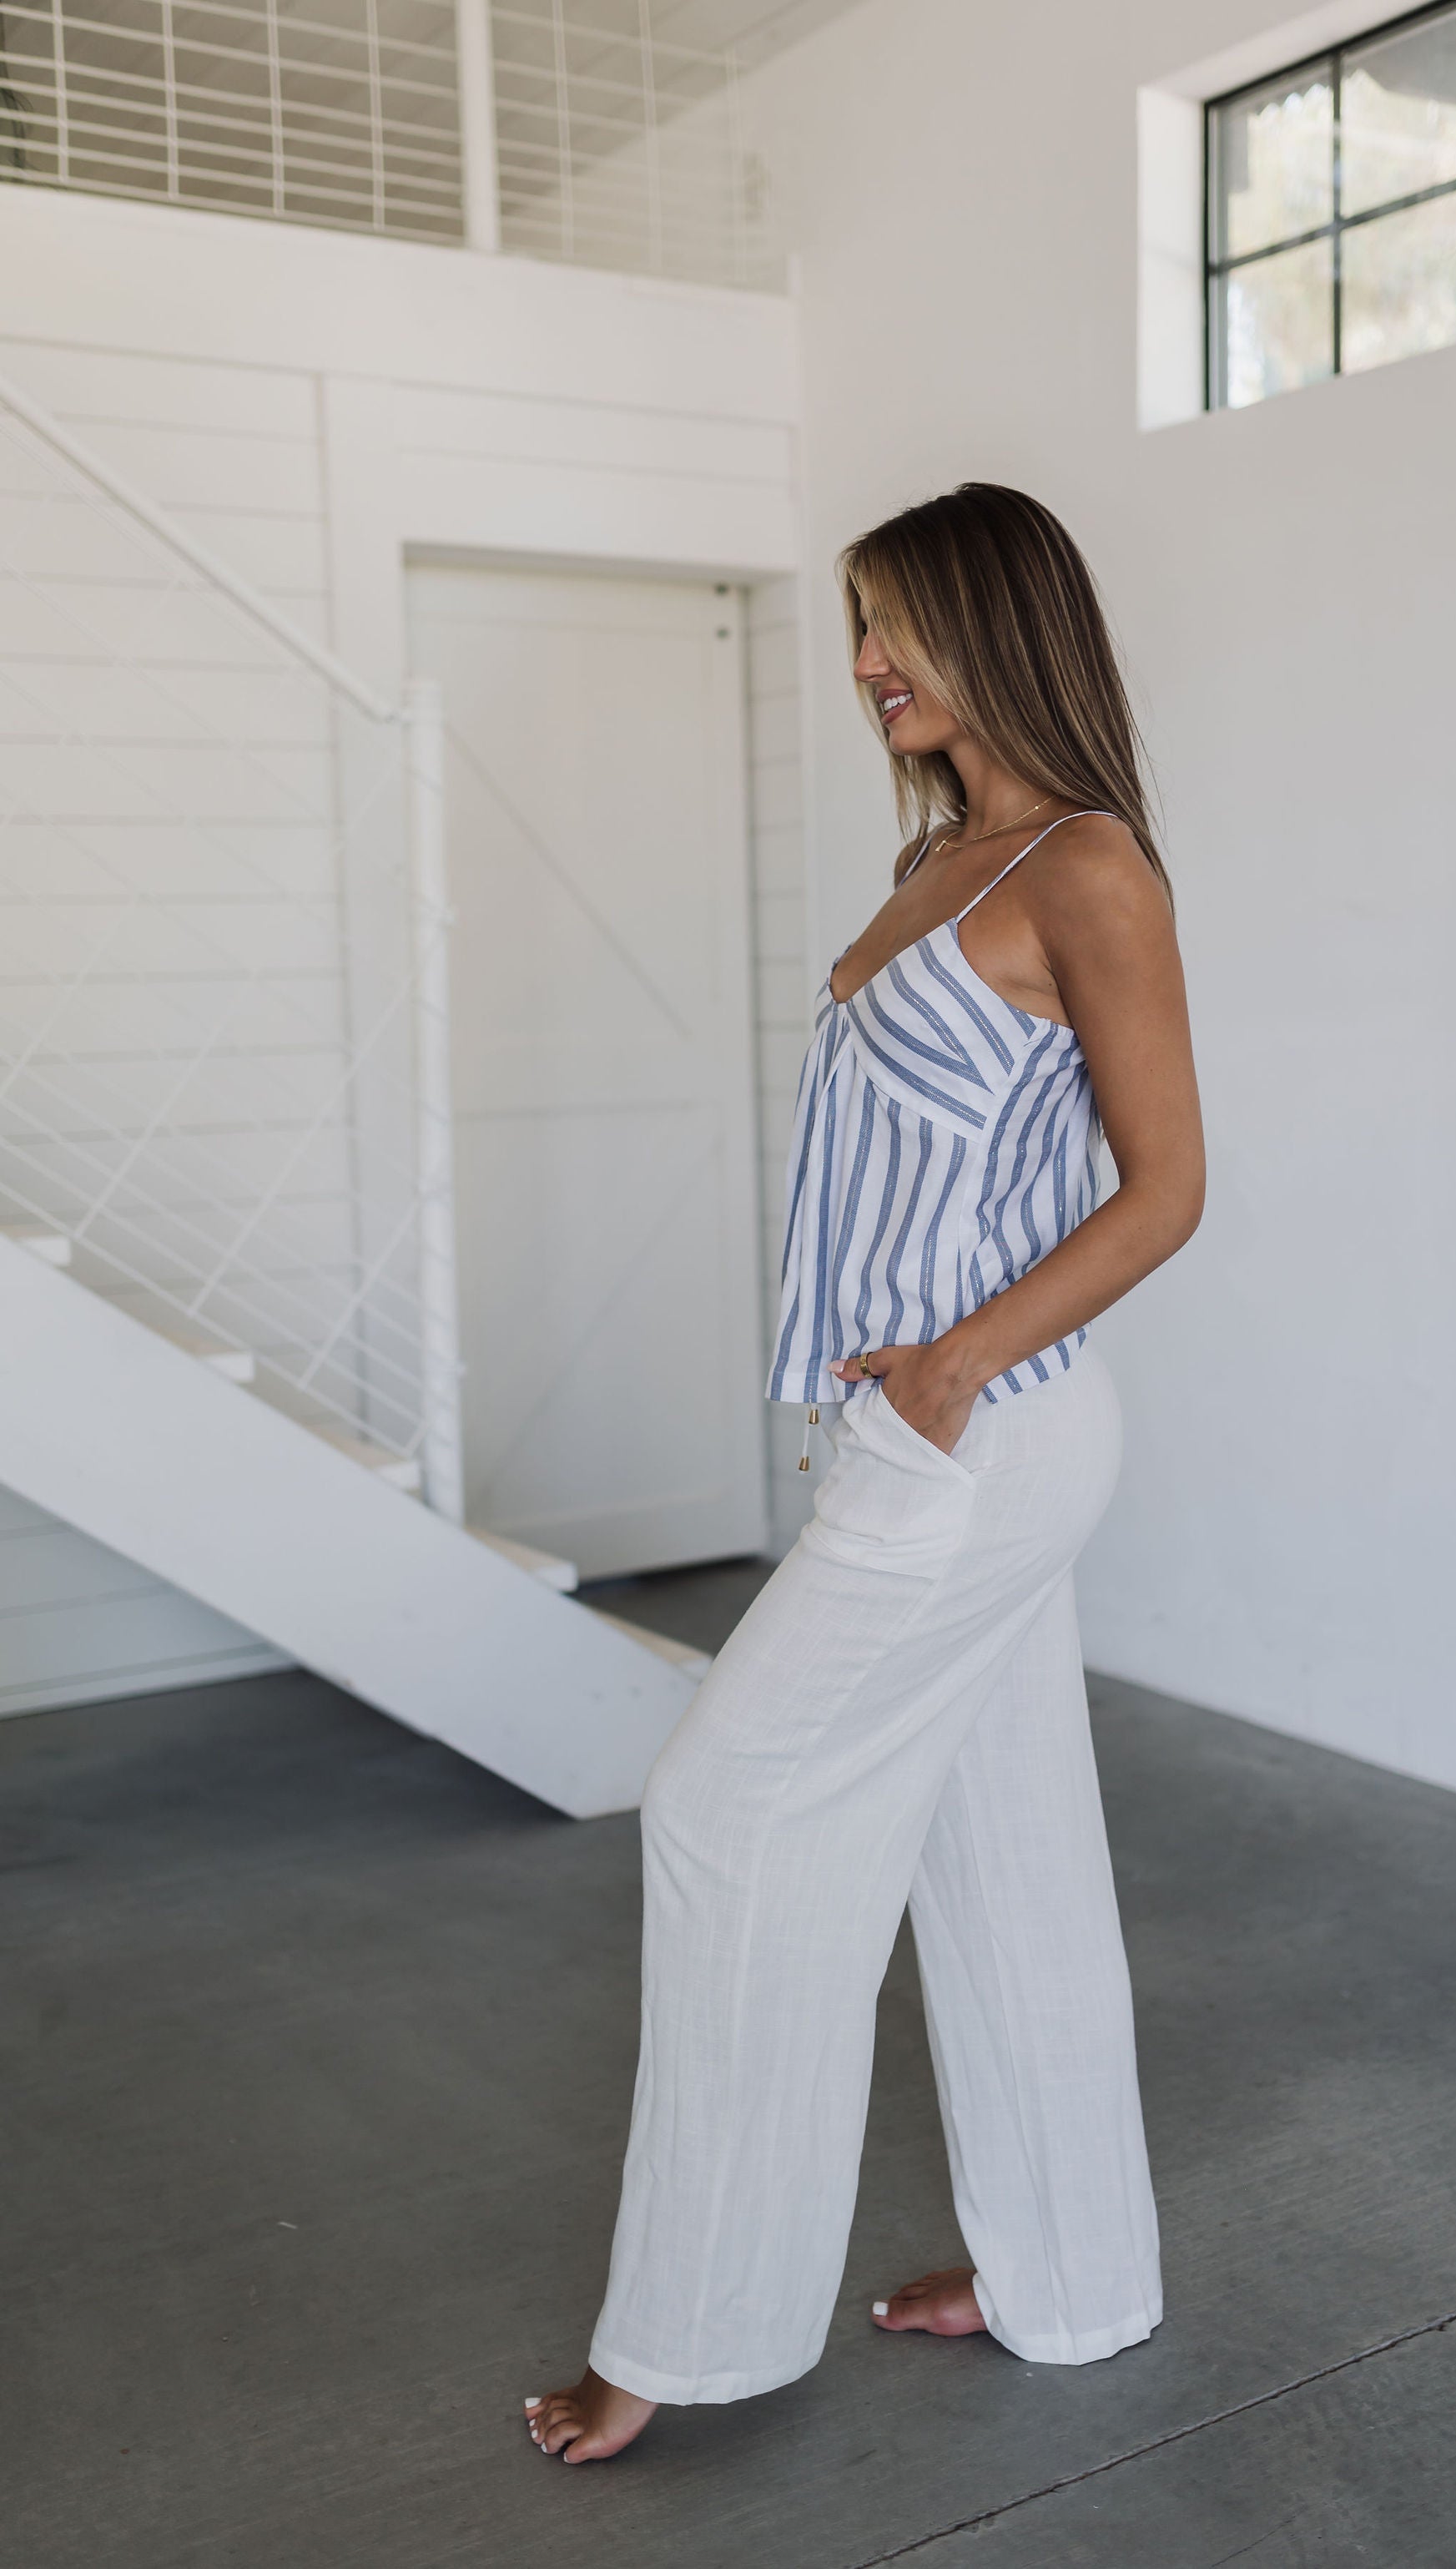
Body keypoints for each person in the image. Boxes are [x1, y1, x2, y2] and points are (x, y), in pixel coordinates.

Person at [523, 483, 1204, 2463]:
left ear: (999, 626)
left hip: (976, 1442)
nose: (865, 666)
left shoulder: (1086, 869)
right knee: (1006, 1866)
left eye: (895, 627)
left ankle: (690, 2333)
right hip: (929, 1437)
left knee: (722, 1811)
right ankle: (1070, 2274)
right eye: (854, 630)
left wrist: (950, 1371)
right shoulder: (940, 857)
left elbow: (1168, 1189)